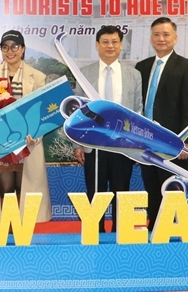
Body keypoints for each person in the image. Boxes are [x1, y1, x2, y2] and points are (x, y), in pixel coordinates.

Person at [0, 31, 51, 223]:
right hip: (0, 143)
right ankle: (4, 229)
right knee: (3, 187)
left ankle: (22, 231)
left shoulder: (37, 77)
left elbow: (42, 112)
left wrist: (35, 136)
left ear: (23, 49)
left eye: (15, 46)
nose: (10, 51)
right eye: (5, 47)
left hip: (28, 142)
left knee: (25, 187)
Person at [74, 26, 142, 232]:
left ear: (121, 45)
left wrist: (137, 143)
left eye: (114, 41)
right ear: (97, 45)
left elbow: (138, 110)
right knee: (96, 194)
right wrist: (78, 143)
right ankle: (96, 236)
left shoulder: (134, 74)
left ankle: (121, 236)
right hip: (94, 145)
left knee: (122, 193)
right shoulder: (84, 74)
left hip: (123, 145)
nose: (110, 46)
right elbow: (77, 112)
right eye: (105, 42)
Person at [136, 18, 188, 227]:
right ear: (151, 38)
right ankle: (154, 233)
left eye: (166, 34)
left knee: (174, 192)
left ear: (175, 38)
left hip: (174, 144)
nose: (161, 39)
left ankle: (176, 239)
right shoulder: (142, 67)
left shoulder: (187, 67)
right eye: (156, 34)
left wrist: (186, 142)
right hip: (146, 142)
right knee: (152, 190)